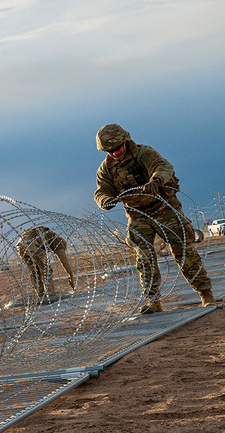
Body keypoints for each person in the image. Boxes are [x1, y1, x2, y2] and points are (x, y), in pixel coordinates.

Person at [94, 123, 215, 312]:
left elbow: (163, 167)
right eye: (109, 151)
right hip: (138, 214)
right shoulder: (106, 169)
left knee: (183, 250)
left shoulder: (144, 154)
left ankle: (206, 294)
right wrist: (105, 200)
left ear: (125, 141)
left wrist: (156, 180)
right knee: (143, 258)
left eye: (117, 148)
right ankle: (153, 301)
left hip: (163, 208)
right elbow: (101, 191)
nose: (115, 153)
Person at [14, 226, 76, 300]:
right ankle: (50, 294)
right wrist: (70, 274)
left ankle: (40, 294)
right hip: (32, 245)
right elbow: (64, 260)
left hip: (21, 246)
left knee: (35, 271)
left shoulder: (48, 235)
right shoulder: (58, 242)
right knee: (46, 270)